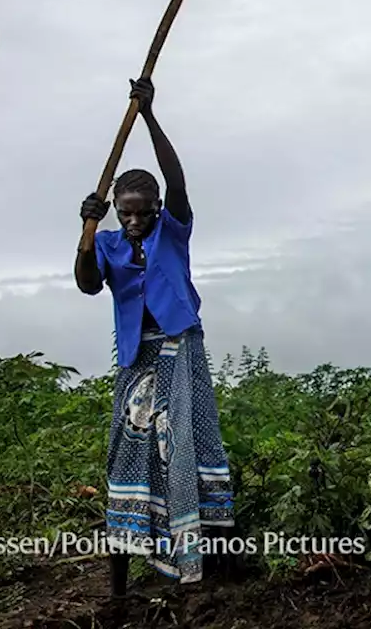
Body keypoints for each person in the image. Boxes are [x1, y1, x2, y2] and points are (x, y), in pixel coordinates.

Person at [74, 77, 233, 590]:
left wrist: (148, 116)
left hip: (179, 347)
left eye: (144, 211)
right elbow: (88, 285)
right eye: (127, 212)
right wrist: (86, 232)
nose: (136, 220)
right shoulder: (108, 242)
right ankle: (119, 581)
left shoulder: (174, 228)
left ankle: (200, 563)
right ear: (117, 211)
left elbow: (178, 181)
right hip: (136, 359)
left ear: (157, 208)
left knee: (180, 445)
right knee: (130, 446)